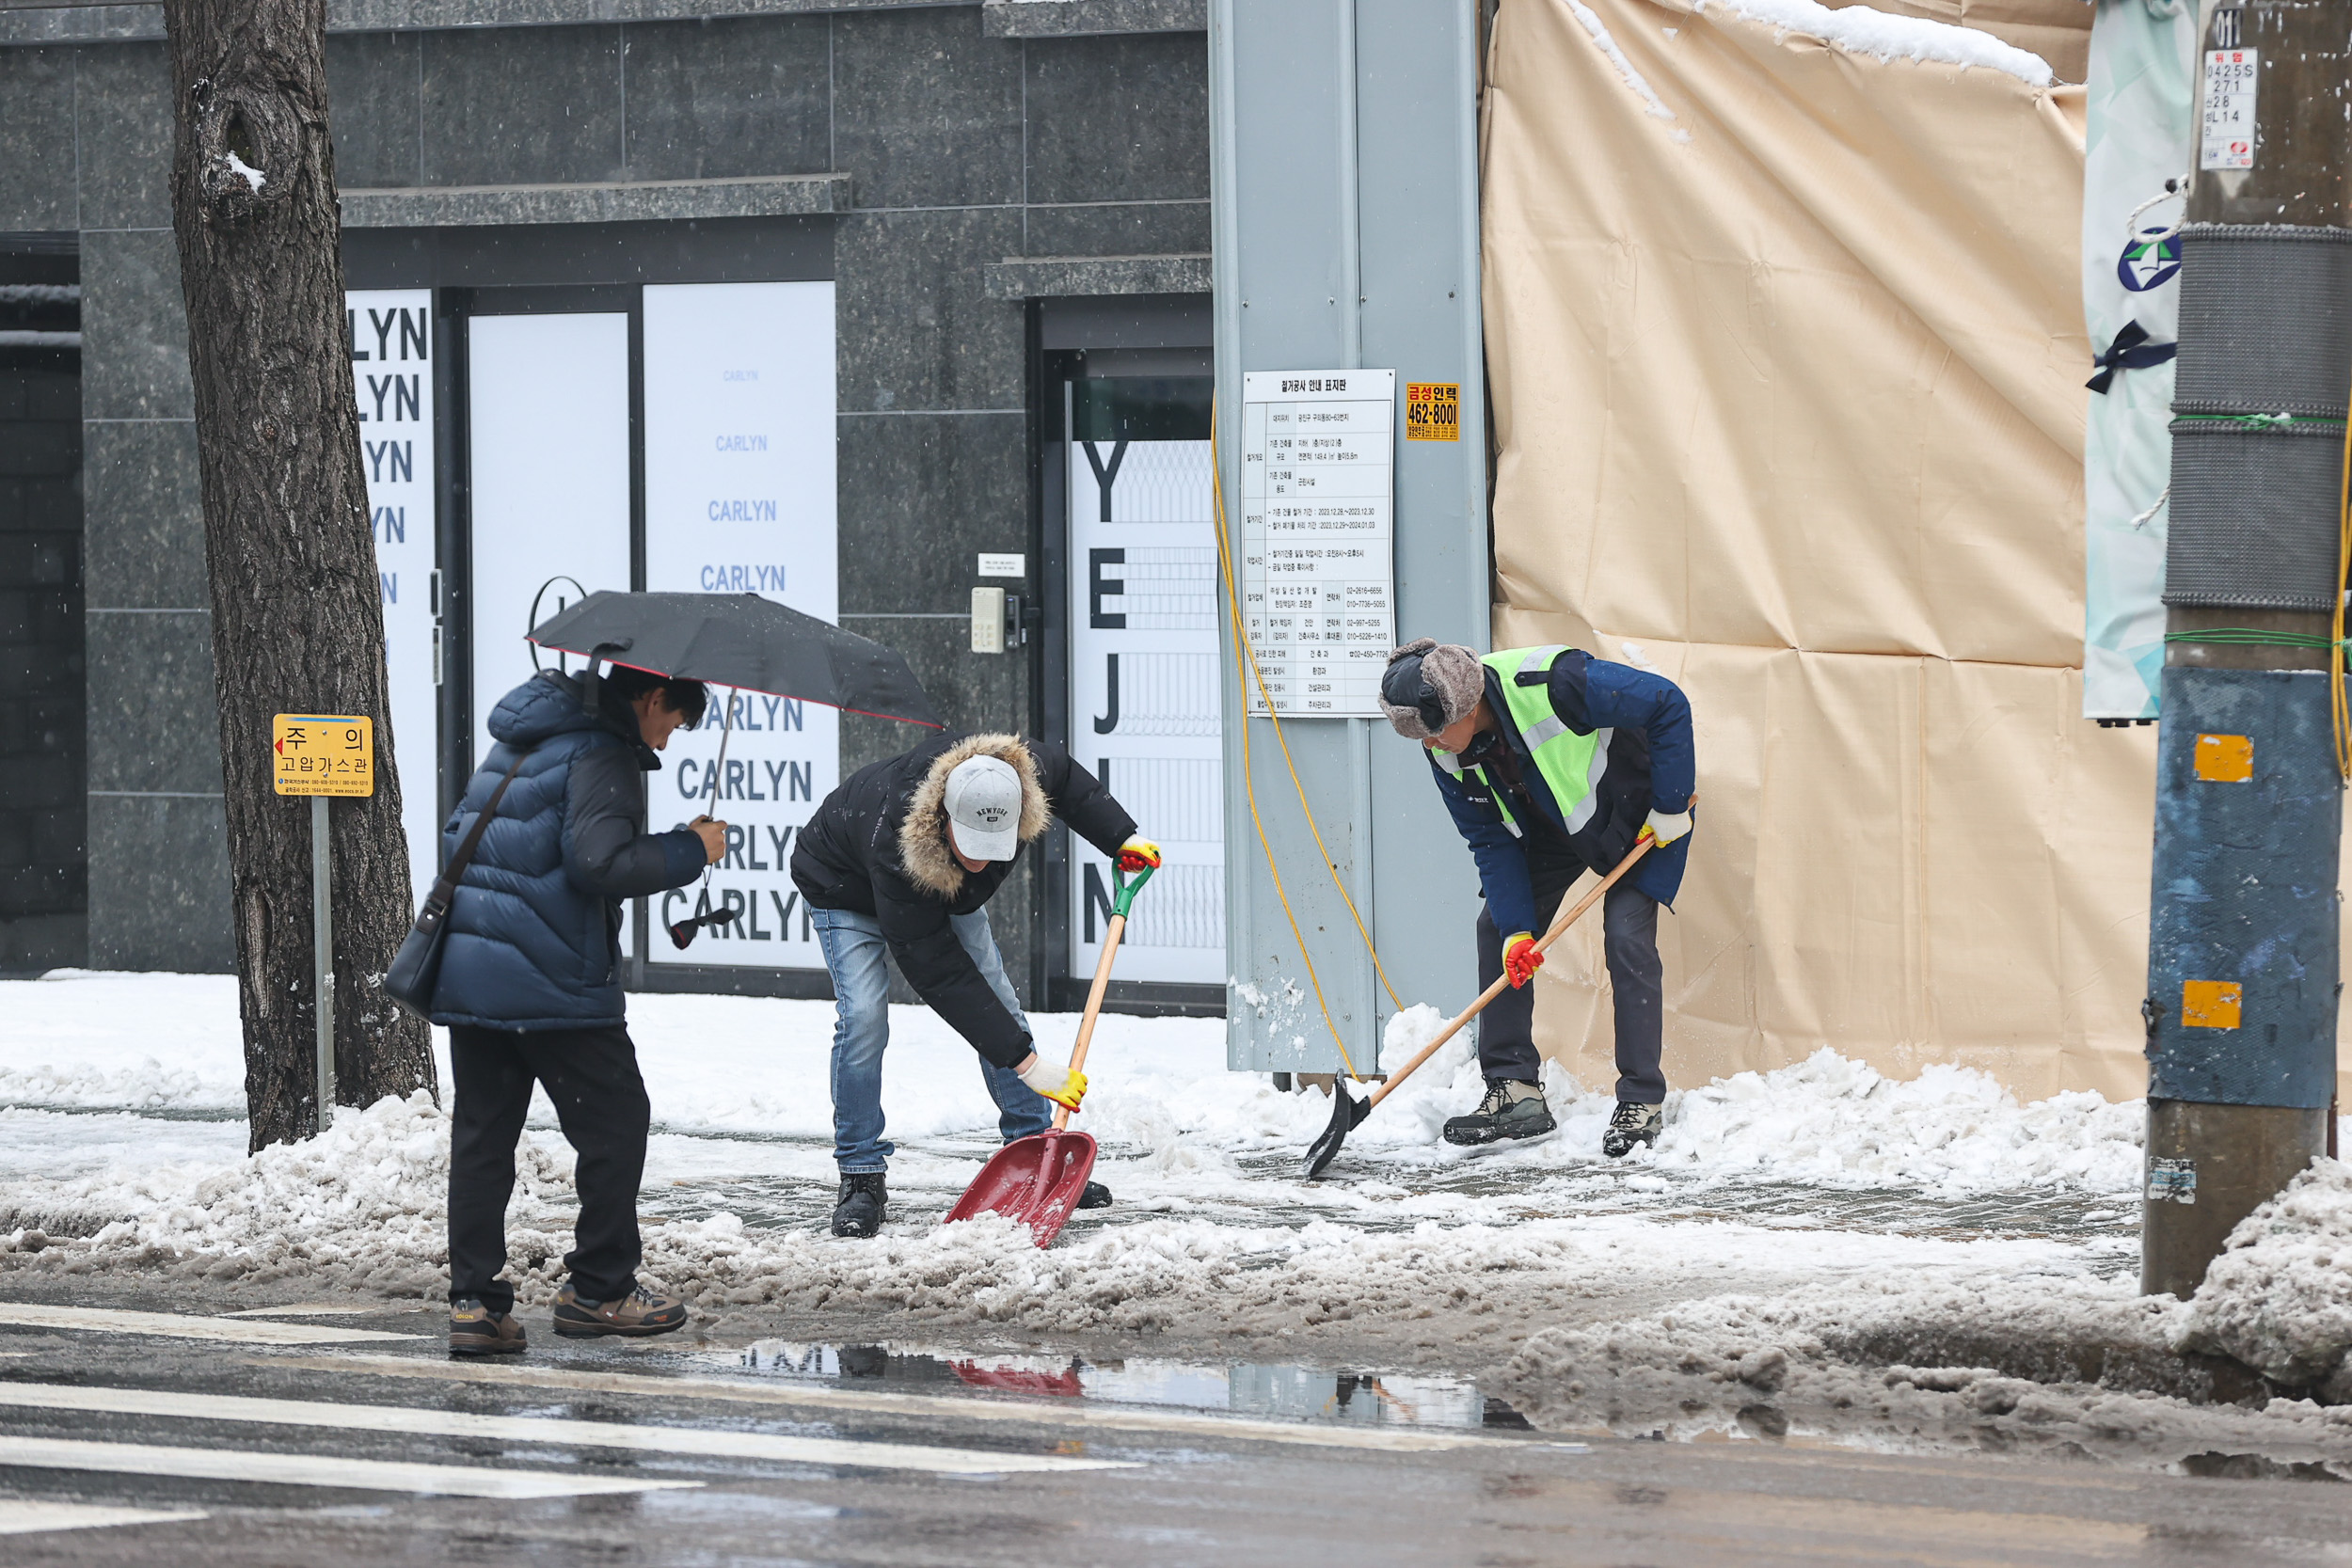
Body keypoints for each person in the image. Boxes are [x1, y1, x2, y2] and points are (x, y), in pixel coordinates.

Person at [429, 663, 726, 1356]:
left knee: (482, 1139)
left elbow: (460, 832)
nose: (668, 739)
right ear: (653, 698)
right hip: (553, 977)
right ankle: (600, 1287)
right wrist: (691, 849)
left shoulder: (522, 738)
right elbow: (598, 862)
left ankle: (475, 1303)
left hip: (474, 971)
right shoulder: (603, 750)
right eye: (674, 723)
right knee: (618, 1121)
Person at [790, 732, 1158, 1237]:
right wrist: (1028, 1064)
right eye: (973, 846)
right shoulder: (899, 844)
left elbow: (1071, 783)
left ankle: (1034, 1151)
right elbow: (940, 972)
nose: (983, 862)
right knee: (864, 1019)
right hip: (844, 885)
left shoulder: (1017, 775)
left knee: (1000, 1000)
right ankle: (860, 1175)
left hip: (939, 885)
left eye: (994, 847)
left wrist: (1122, 838)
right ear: (942, 817)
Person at [1377, 639, 1695, 1156]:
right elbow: (1489, 838)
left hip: (1643, 816)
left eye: (1434, 732)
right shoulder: (1446, 753)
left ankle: (1642, 1100)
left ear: (1465, 705)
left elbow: (1667, 702)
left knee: (1626, 938)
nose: (1430, 745)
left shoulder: (1555, 683)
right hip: (1557, 826)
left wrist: (1671, 803)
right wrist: (1518, 931)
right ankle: (1515, 1093)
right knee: (1497, 931)